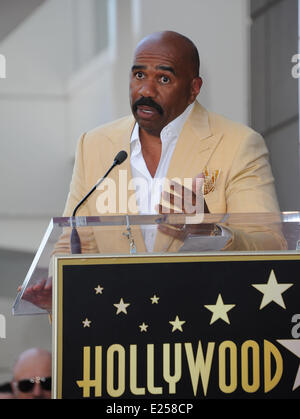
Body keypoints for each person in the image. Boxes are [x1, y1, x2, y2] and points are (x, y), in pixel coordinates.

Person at [20, 30, 286, 311]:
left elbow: (271, 245)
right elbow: (72, 242)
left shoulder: (237, 144)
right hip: (118, 333)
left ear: (194, 88)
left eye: (164, 79)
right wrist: (59, 289)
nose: (146, 90)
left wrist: (210, 231)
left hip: (203, 330)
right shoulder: (95, 145)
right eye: (138, 76)